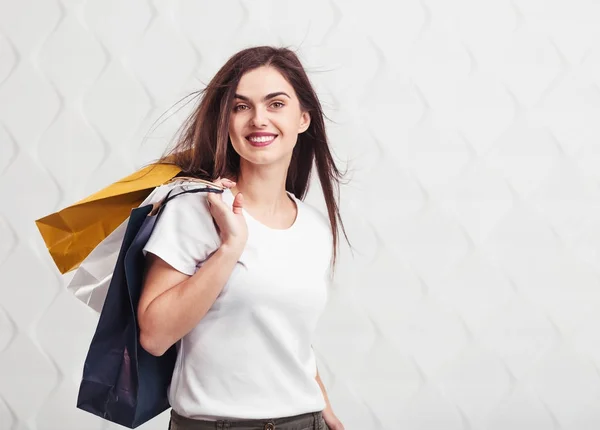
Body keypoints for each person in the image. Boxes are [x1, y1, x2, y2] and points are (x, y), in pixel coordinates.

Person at [138, 46, 350, 430]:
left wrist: (323, 404)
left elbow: (282, 332)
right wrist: (229, 248)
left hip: (304, 421)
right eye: (241, 107)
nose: (258, 120)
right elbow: (154, 335)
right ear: (226, 122)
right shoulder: (194, 210)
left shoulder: (314, 228)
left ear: (303, 119)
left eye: (276, 104)